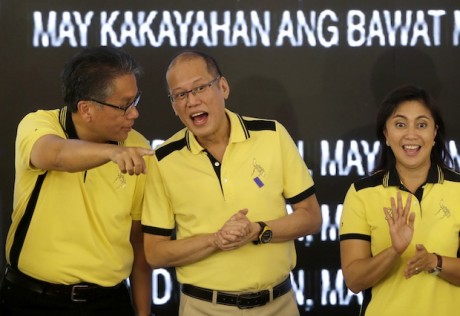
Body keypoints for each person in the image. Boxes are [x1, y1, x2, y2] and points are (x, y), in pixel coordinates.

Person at [141, 50, 322, 316]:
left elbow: (311, 217)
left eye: (200, 88)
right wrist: (216, 240)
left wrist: (258, 231)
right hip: (204, 308)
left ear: (223, 87)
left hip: (278, 304)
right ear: (173, 105)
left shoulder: (272, 136)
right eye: (180, 94)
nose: (191, 101)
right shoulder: (163, 160)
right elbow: (155, 253)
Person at [0, 46, 154, 316]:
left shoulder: (137, 146)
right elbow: (55, 154)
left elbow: (138, 242)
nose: (134, 114)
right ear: (86, 109)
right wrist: (113, 153)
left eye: (136, 101)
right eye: (124, 105)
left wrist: (142, 312)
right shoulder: (39, 124)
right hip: (32, 299)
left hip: (109, 302)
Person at [339, 85, 460, 316]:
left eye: (422, 124)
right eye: (400, 124)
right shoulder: (361, 193)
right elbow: (354, 281)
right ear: (386, 134)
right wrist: (394, 251)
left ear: (435, 133)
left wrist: (433, 262)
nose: (411, 135)